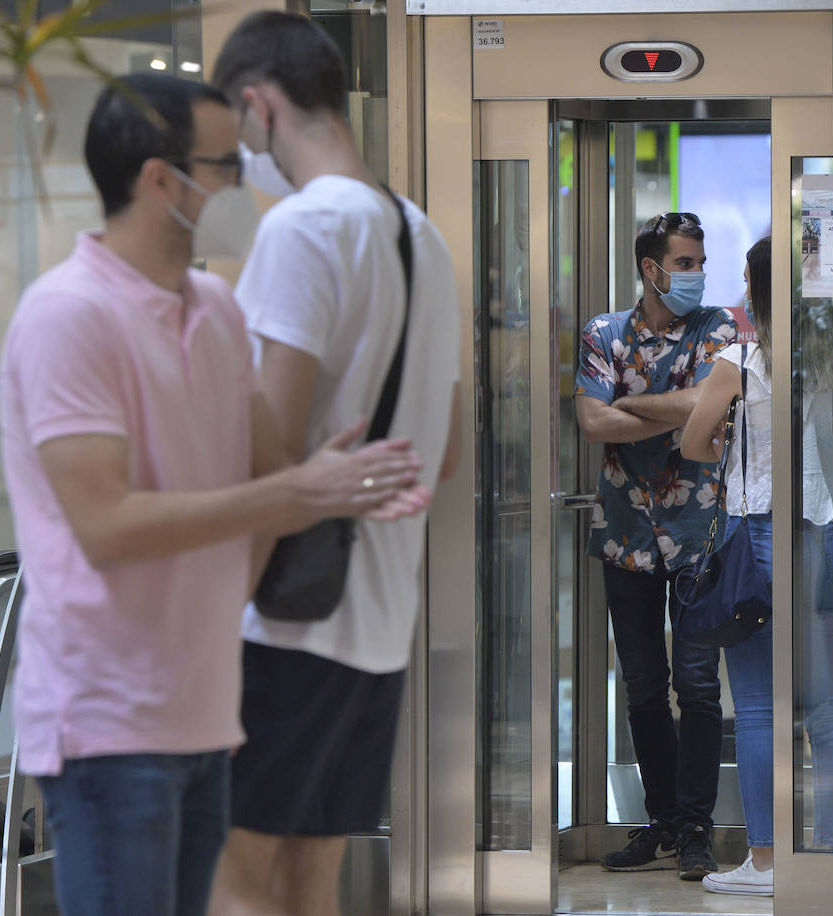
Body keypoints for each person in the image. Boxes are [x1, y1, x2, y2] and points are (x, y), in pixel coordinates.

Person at [0, 73, 429, 916]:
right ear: (161, 178)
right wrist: (297, 494)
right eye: (225, 161)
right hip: (108, 722)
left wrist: (327, 491)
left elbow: (267, 481)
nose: (246, 177)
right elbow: (107, 526)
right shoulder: (67, 315)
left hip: (206, 710)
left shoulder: (216, 309)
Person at [207, 12, 462, 915]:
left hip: (284, 619)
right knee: (310, 880)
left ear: (257, 102)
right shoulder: (422, 238)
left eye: (236, 129)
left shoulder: (304, 228)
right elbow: (451, 444)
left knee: (230, 876)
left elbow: (269, 450)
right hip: (380, 619)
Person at [574, 212, 737, 880]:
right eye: (686, 263)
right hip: (626, 538)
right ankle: (664, 819)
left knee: (699, 688)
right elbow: (589, 419)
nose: (697, 275)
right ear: (651, 269)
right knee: (644, 687)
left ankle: (697, 826)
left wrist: (630, 405)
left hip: (702, 537)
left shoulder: (718, 328)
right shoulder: (602, 332)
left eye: (699, 262)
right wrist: (679, 405)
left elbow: (713, 405)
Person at [682, 237, 833, 896]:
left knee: (755, 708)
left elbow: (694, 442)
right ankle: (828, 853)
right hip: (824, 532)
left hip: (755, 539)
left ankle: (768, 864)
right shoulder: (829, 359)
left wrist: (727, 435)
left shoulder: (738, 362)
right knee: (827, 710)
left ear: (756, 288)